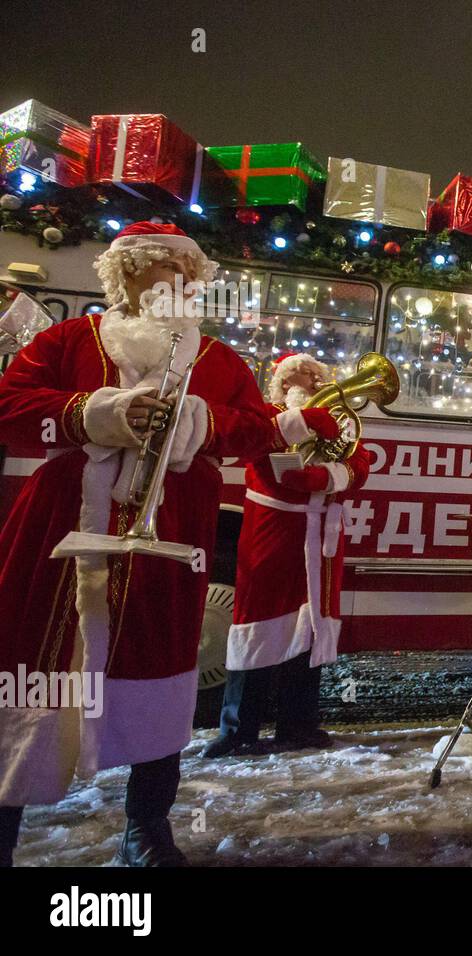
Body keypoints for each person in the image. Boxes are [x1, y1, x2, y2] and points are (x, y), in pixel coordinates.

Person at [0, 222, 273, 866]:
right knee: (27, 672)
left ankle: (146, 827)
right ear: (125, 278)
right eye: (161, 272)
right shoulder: (68, 340)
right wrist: (98, 412)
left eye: (187, 275)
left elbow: (259, 432)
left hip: (168, 532)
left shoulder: (220, 360)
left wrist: (198, 421)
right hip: (64, 530)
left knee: (158, 674)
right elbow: (10, 402)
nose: (177, 285)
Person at [204, 353, 371, 758]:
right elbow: (269, 464)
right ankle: (238, 728)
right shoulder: (266, 417)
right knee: (256, 626)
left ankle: (298, 724)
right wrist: (317, 479)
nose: (311, 381)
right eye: (300, 375)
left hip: (319, 537)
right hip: (274, 532)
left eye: (316, 375)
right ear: (281, 383)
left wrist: (331, 477)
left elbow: (358, 463)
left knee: (309, 628)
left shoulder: (339, 420)